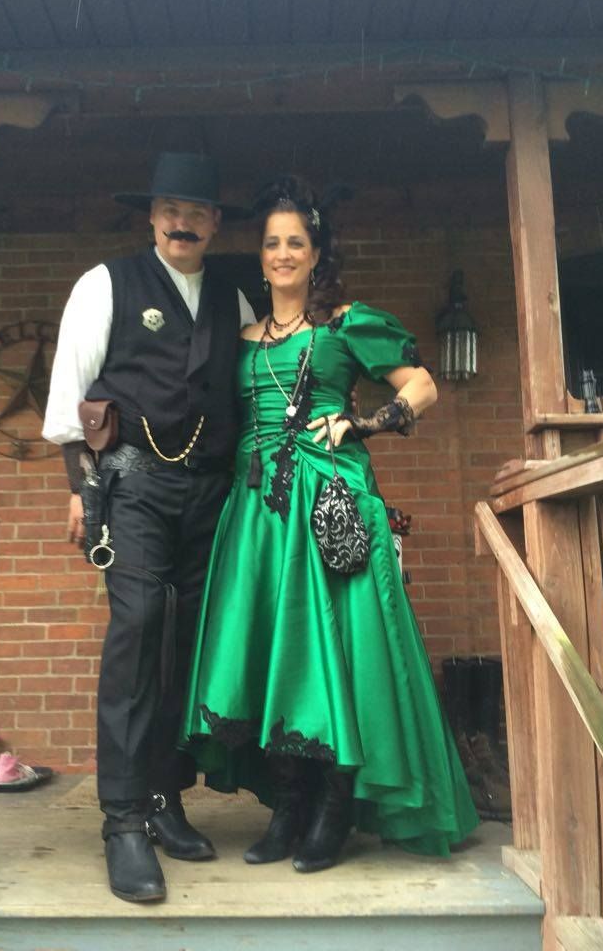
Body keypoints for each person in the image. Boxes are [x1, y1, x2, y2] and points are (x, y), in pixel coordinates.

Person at [181, 175, 479, 871]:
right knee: (275, 656)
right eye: (272, 243)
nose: (283, 254)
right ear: (259, 257)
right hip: (255, 514)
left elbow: (422, 385)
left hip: (328, 504)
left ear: (316, 255)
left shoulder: (346, 325)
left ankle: (333, 813)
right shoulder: (242, 337)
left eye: (296, 243)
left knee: (331, 655)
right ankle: (286, 810)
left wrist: (365, 422)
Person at [42, 152, 256, 903]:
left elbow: (262, 384)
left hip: (212, 495)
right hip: (131, 487)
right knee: (136, 637)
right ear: (152, 216)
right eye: (169, 207)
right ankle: (123, 821)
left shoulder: (236, 297)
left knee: (185, 646)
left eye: (196, 210)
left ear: (215, 223)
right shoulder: (106, 283)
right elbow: (71, 398)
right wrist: (81, 491)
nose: (181, 221)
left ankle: (164, 798)